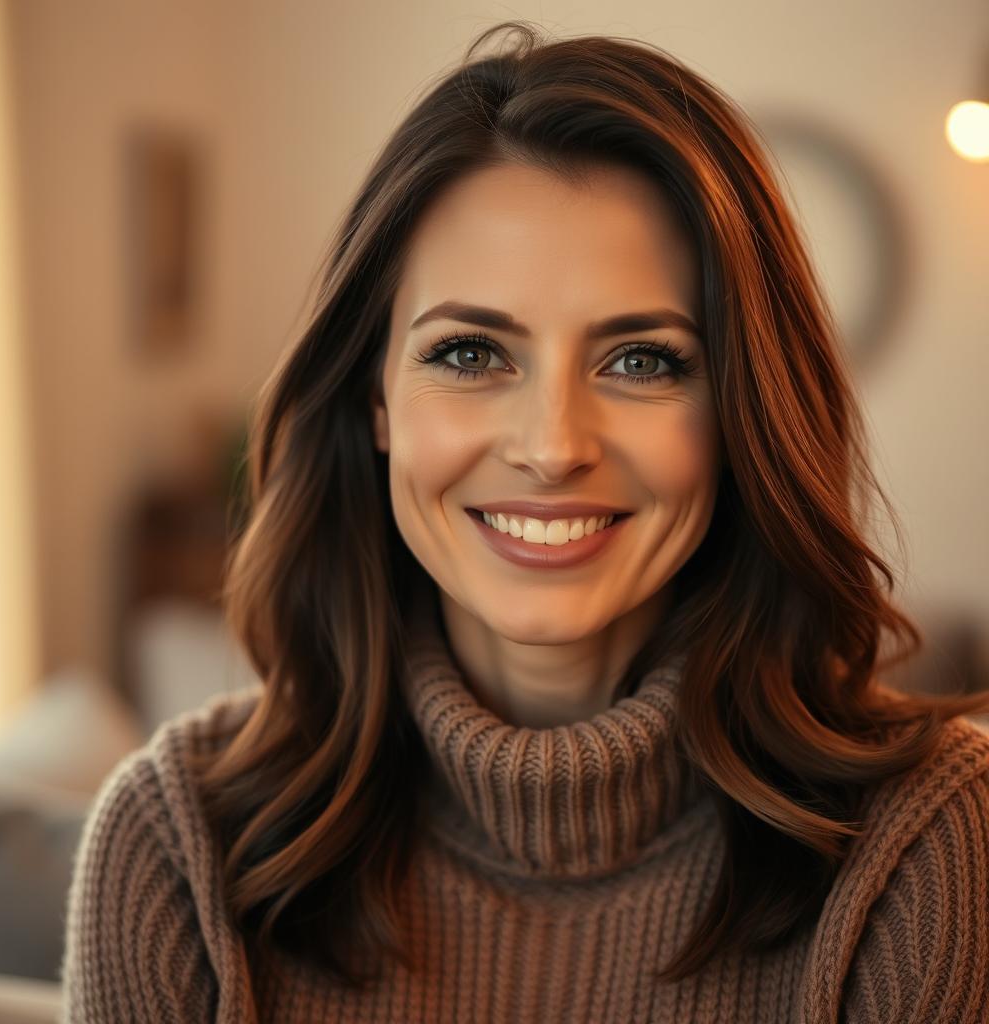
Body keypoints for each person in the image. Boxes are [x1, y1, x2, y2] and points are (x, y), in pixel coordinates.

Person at [61, 21, 989, 1023]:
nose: (551, 446)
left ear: (737, 414)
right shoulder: (175, 846)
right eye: (468, 353)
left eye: (642, 359)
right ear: (375, 395)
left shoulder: (925, 841)